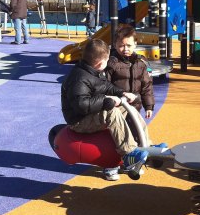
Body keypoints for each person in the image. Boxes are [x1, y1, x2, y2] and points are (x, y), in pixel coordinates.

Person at [61, 39, 149, 180]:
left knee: (128, 109)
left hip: (89, 113)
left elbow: (105, 86)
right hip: (79, 120)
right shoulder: (79, 78)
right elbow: (81, 104)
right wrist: (107, 101)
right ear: (101, 62)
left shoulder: (93, 71)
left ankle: (145, 144)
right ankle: (129, 154)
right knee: (112, 112)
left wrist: (121, 93)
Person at [104, 25, 156, 181]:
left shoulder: (141, 62)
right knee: (116, 135)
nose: (124, 49)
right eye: (121, 45)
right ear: (115, 45)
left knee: (135, 133)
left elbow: (147, 85)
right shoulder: (111, 62)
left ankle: (134, 163)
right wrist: (113, 98)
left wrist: (149, 105)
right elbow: (105, 84)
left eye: (128, 45)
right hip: (117, 107)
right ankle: (111, 165)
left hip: (134, 107)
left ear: (135, 45)